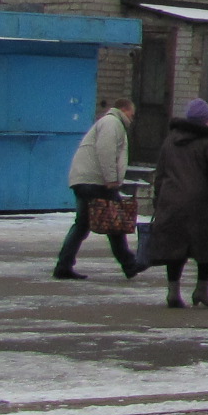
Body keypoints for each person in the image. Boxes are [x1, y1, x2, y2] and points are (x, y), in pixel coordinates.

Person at [145, 97, 208, 308]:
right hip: (203, 204)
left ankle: (173, 291)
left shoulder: (170, 140)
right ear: (206, 119)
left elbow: (160, 174)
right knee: (206, 247)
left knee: (174, 248)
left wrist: (159, 199)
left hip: (172, 201)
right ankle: (202, 290)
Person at [56, 97, 143, 280]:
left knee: (83, 225)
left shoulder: (108, 122)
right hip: (96, 181)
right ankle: (130, 264)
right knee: (114, 222)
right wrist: (112, 179)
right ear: (124, 110)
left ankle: (63, 265)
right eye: (132, 115)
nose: (132, 119)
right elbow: (106, 150)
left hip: (86, 179)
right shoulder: (112, 123)